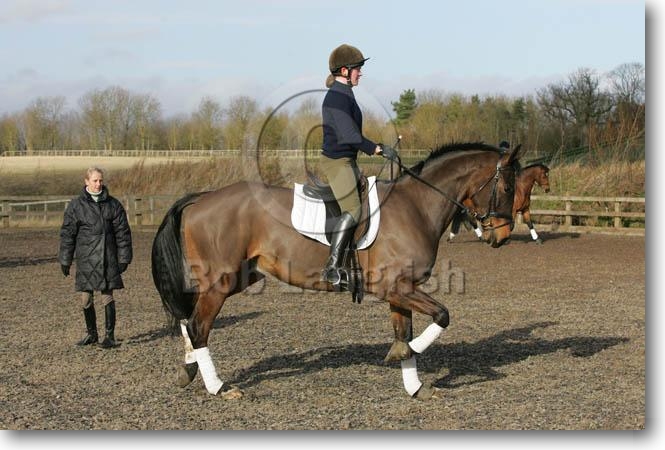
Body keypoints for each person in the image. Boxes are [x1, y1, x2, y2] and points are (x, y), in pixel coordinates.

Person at [320, 44, 396, 284]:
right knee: (353, 210)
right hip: (337, 162)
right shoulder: (336, 98)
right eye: (357, 69)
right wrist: (377, 148)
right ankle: (332, 267)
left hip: (348, 160)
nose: (360, 73)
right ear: (344, 71)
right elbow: (350, 136)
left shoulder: (344, 94)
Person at [58, 167, 132, 348]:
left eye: (100, 180)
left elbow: (123, 233)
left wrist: (124, 257)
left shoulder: (113, 205)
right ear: (86, 181)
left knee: (107, 297)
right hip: (86, 259)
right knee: (86, 299)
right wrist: (65, 260)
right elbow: (68, 234)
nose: (98, 184)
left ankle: (109, 336)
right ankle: (91, 334)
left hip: (107, 258)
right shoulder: (76, 206)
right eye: (95, 180)